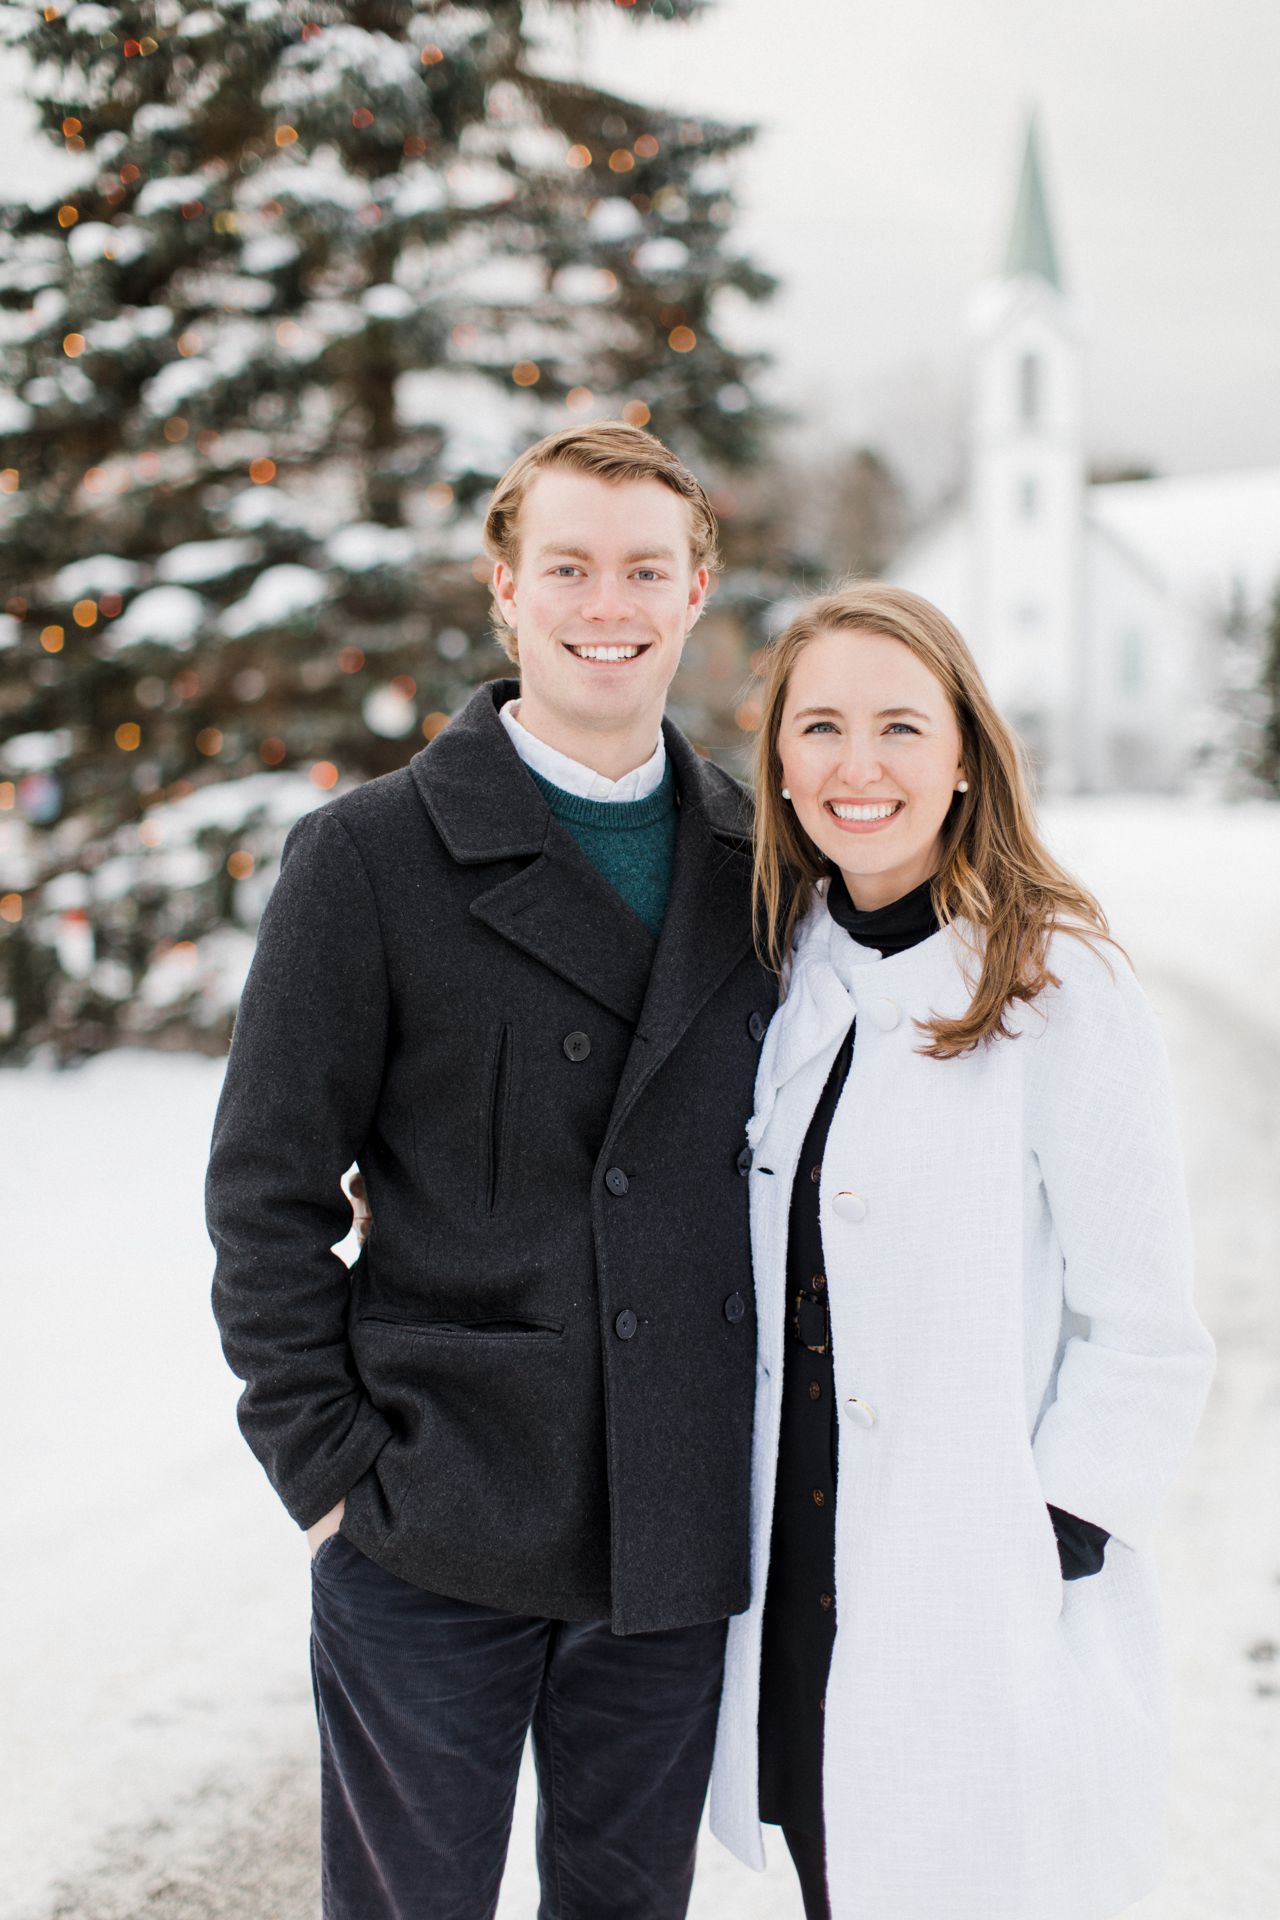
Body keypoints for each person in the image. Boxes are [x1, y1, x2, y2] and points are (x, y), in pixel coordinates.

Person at [206, 422, 776, 1920]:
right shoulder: (371, 858)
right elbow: (264, 1196)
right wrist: (329, 1471)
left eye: (645, 568)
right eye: (571, 566)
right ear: (503, 589)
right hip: (436, 1520)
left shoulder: (762, 867)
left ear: (698, 589)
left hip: (670, 1529)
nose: (610, 603)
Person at [710, 584, 1215, 1920]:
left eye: (897, 726)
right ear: (777, 763)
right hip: (807, 1588)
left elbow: (1146, 1328)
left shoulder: (1059, 984)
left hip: (984, 1598)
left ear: (964, 757)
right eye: (818, 727)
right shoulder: (789, 968)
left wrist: (1050, 1531)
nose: (855, 765)